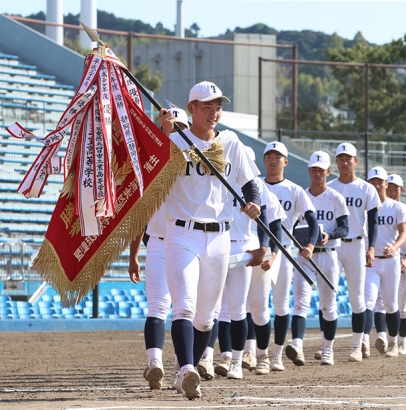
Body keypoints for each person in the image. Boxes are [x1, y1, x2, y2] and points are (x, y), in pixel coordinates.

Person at [158, 81, 262, 400]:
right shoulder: (175, 143)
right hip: (181, 233)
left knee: (206, 318)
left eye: (218, 106)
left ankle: (181, 370)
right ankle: (189, 370)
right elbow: (150, 172)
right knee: (185, 308)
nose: (214, 112)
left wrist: (253, 201)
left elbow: (250, 181)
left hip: (220, 236)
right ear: (191, 109)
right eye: (207, 106)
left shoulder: (230, 143)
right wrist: (164, 134)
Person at [242, 141, 319, 373]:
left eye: (278, 156)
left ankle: (276, 354)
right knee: (251, 304)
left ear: (286, 161)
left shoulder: (295, 190)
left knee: (281, 305)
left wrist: (311, 245)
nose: (273, 160)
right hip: (256, 250)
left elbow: (312, 221)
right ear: (263, 161)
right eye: (269, 156)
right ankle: (250, 351)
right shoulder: (252, 187)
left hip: (283, 251)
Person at [128, 108, 189, 391]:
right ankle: (155, 364)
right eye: (171, 129)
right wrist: (133, 258)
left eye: (180, 129)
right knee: (158, 308)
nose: (175, 133)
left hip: (187, 244)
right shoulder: (150, 168)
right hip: (158, 244)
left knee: (184, 310)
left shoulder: (194, 167)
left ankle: (178, 365)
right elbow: (140, 217)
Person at [212, 145, 286, 380]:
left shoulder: (262, 190)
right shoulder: (221, 183)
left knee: (259, 309)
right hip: (226, 247)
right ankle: (227, 356)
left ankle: (262, 357)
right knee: (227, 308)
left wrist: (268, 254)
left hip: (254, 250)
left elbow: (271, 226)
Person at [285, 151, 349, 366]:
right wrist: (299, 237)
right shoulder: (301, 196)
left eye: (321, 170)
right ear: (309, 171)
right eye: (313, 169)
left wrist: (329, 235)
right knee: (300, 302)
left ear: (328, 172)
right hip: (304, 254)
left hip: (329, 254)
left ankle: (327, 349)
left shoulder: (335, 198)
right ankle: (298, 347)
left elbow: (345, 228)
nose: (317, 174)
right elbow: (292, 225)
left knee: (328, 305)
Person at [327, 142, 381, 362]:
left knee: (357, 297)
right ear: (336, 162)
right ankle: (326, 346)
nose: (345, 162)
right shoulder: (330, 187)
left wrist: (371, 247)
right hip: (333, 245)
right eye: (340, 158)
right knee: (328, 293)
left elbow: (374, 222)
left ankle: (357, 345)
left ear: (356, 161)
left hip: (357, 244)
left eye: (348, 158)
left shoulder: (366, 188)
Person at [362, 167, 406, 357]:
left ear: (385, 184)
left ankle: (393, 343)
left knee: (391, 304)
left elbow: (404, 232)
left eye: (380, 182)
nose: (377, 185)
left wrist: (395, 248)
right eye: (372, 182)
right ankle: (362, 341)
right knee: (368, 301)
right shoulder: (363, 207)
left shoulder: (397, 207)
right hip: (371, 262)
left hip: (391, 261)